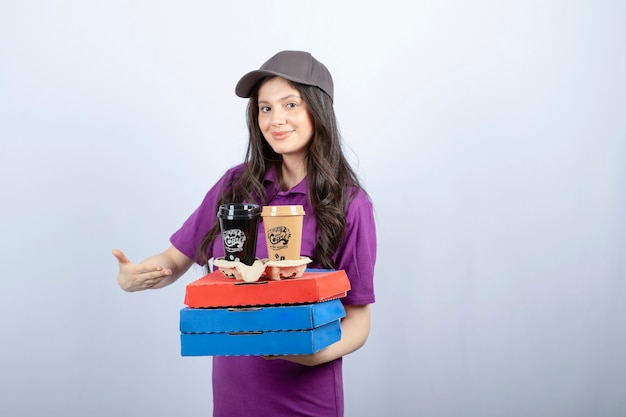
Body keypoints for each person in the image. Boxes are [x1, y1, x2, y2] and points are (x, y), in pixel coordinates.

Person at [113, 50, 376, 417]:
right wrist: (137, 275)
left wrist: (301, 351)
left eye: (290, 104)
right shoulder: (236, 184)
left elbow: (358, 322)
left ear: (318, 110)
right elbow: (175, 259)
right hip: (233, 395)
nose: (276, 119)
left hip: (305, 399)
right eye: (265, 108)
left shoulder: (349, 202)